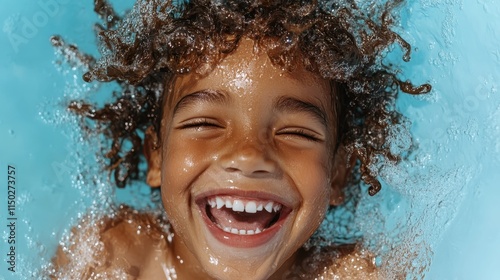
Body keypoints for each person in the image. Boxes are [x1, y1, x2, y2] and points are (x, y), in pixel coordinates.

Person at [50, 0, 430, 279]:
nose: (248, 156)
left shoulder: (354, 275)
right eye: (206, 124)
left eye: (295, 132)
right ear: (156, 157)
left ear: (337, 174)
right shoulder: (111, 258)